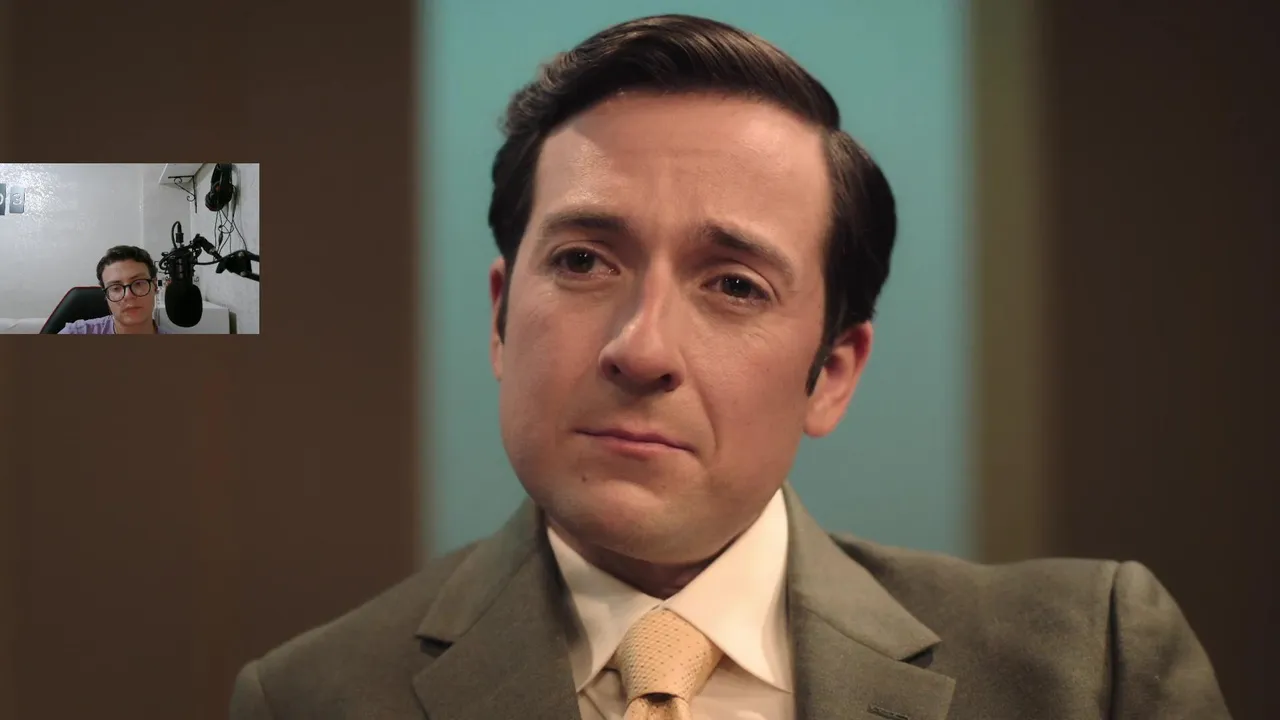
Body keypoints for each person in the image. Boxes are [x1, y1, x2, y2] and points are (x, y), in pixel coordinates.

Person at [230, 14, 1231, 719]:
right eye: (581, 262)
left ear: (832, 373)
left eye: (735, 285)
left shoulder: (1086, 667)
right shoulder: (310, 699)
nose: (640, 349)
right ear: (499, 318)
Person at [58, 245, 172, 334]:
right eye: (116, 288)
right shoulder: (77, 333)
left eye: (138, 283)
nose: (128, 295)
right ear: (106, 295)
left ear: (155, 286)